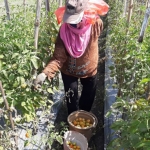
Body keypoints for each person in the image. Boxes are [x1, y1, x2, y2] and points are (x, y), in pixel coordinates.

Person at [34, 0, 103, 115]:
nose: (72, 24)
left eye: (75, 20)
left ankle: (84, 118)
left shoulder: (95, 24)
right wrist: (44, 74)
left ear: (83, 14)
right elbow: (58, 58)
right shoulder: (64, 31)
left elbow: (98, 34)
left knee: (88, 98)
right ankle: (73, 120)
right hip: (69, 71)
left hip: (89, 69)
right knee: (71, 99)